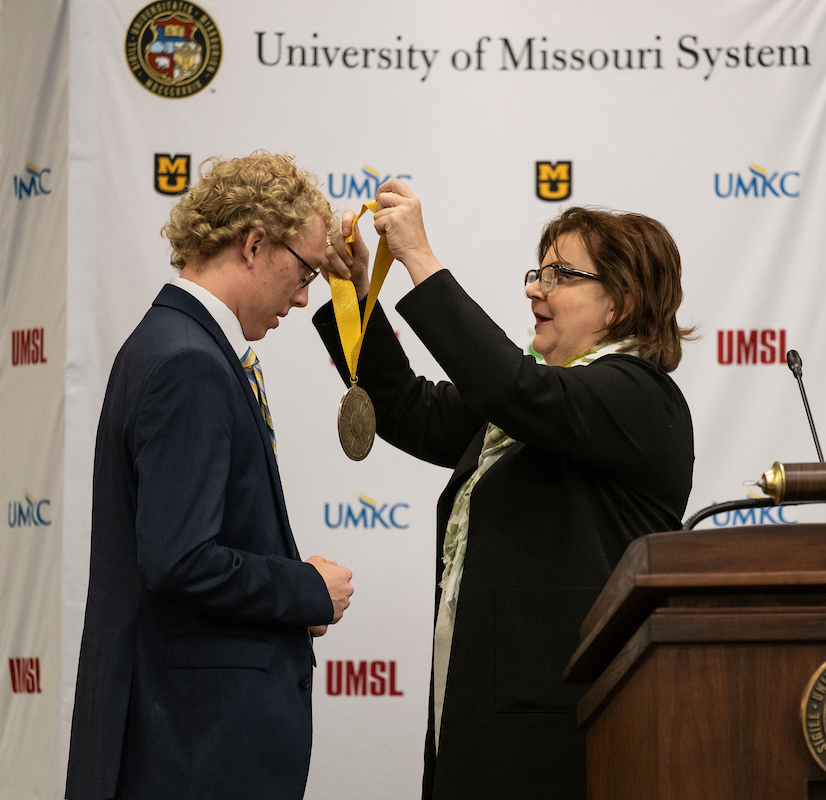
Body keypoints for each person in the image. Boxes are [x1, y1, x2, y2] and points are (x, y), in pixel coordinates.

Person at [314, 180, 695, 799]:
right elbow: (409, 409)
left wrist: (420, 259)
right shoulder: (536, 405)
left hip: (562, 734)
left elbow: (511, 388)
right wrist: (359, 292)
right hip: (483, 712)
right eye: (538, 271)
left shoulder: (639, 397)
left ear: (620, 304)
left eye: (560, 275)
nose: (534, 288)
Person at [66, 152, 355, 800]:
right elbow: (179, 558)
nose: (304, 296)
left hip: (182, 739)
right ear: (254, 245)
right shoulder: (189, 362)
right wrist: (305, 589)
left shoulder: (172, 342)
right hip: (191, 751)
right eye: (305, 271)